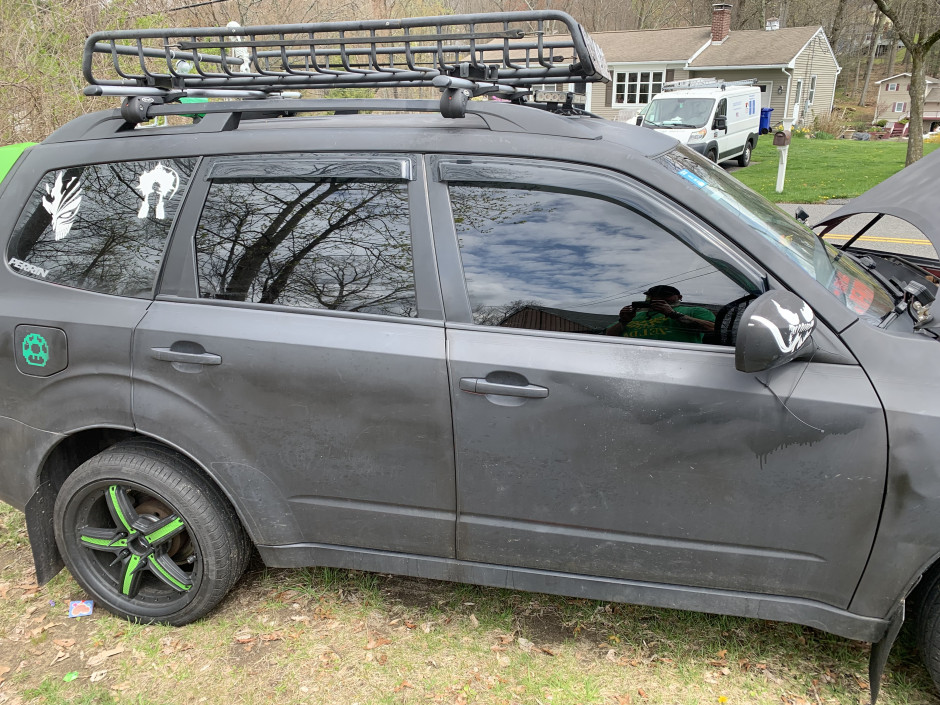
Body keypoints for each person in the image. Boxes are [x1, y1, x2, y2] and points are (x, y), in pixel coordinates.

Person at [605, 285, 715, 343]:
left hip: (677, 363)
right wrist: (624, 321)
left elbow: (713, 329)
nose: (657, 298)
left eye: (665, 295)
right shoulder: (635, 314)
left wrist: (673, 314)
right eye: (652, 295)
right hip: (629, 361)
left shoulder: (694, 311)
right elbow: (608, 336)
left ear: (680, 297)